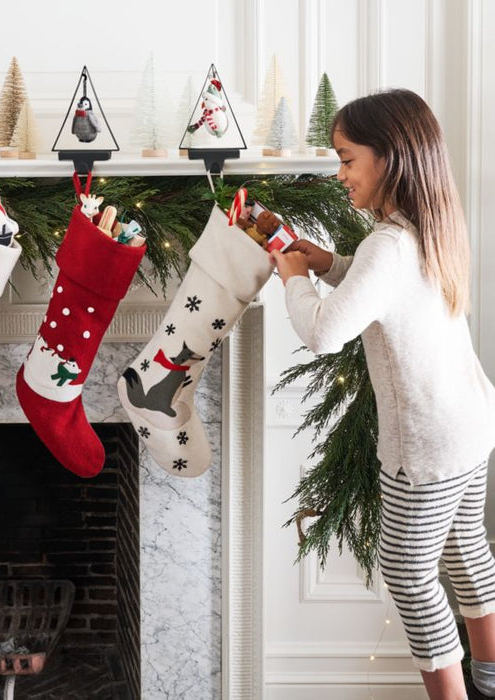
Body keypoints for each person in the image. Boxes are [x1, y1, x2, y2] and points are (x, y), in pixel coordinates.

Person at [269, 88, 495, 700]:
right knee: (466, 548)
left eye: (346, 159)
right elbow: (393, 294)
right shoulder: (429, 225)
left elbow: (322, 333)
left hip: (427, 444)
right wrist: (329, 263)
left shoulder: (388, 245)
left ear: (389, 157)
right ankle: (492, 679)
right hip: (471, 422)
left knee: (408, 572)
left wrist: (292, 277)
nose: (339, 175)